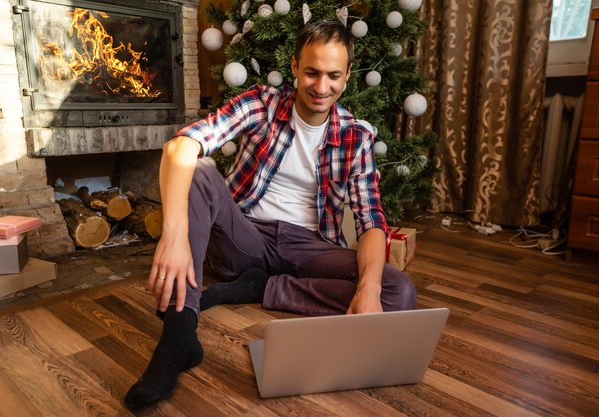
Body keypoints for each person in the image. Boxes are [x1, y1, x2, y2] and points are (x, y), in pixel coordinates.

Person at [124, 20, 417, 409]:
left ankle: (261, 288)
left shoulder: (356, 137)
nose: (321, 86)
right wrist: (174, 237)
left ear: (347, 76)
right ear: (294, 66)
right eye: (312, 72)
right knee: (198, 168)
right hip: (244, 234)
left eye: (333, 76)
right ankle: (179, 333)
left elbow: (371, 221)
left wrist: (368, 290)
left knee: (397, 292)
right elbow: (180, 147)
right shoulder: (260, 104)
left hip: (308, 246)